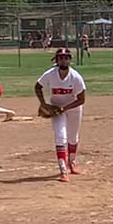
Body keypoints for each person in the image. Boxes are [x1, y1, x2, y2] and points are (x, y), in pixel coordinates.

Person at [35, 48, 88, 180]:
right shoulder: (50, 74)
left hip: (74, 109)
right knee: (60, 137)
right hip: (56, 110)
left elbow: (81, 100)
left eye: (66, 58)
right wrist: (43, 103)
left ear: (70, 60)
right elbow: (38, 86)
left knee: (73, 138)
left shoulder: (76, 77)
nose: (63, 60)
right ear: (56, 60)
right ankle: (63, 171)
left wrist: (65, 108)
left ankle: (72, 163)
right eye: (60, 58)